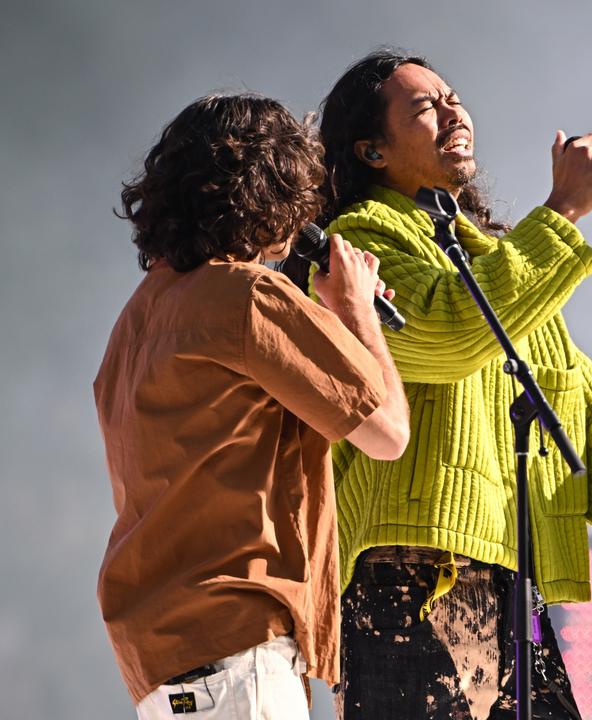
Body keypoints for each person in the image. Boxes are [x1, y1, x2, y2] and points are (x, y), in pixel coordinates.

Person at [315, 49, 592, 719]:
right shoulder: (360, 240)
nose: (453, 110)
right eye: (424, 107)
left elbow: (583, 404)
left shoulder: (495, 262)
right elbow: (446, 334)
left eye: (453, 96)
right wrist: (563, 211)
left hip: (509, 582)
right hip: (407, 576)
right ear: (373, 151)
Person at [95, 93, 410, 719]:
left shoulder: (134, 323)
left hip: (164, 662)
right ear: (268, 195)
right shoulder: (247, 294)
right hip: (240, 648)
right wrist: (356, 313)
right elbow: (387, 432)